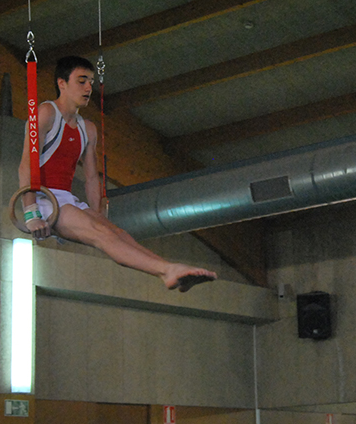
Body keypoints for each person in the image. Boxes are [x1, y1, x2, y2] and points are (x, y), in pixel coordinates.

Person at [18, 56, 218, 293]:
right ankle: (166, 270)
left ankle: (168, 268)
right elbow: (26, 165)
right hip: (44, 199)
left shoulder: (88, 129)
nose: (88, 88)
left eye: (91, 82)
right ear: (62, 83)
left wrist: (97, 213)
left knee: (117, 232)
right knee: (102, 235)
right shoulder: (46, 113)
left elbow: (92, 178)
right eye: (81, 81)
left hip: (67, 199)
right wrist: (31, 213)